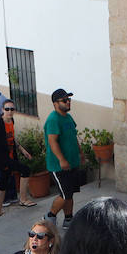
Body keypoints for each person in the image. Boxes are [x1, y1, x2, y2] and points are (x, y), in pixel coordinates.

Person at [0, 96, 35, 215]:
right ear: (2, 110)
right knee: (25, 170)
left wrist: (22, 150)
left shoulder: (11, 121)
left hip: (10, 156)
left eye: (12, 109)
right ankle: (22, 199)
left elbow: (12, 138)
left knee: (3, 183)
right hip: (2, 159)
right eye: (7, 109)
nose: (9, 111)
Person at [44, 88, 82, 227]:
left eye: (69, 100)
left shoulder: (68, 117)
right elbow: (52, 141)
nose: (68, 102)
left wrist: (80, 152)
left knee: (70, 193)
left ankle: (68, 219)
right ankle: (50, 216)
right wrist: (61, 159)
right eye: (64, 100)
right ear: (55, 103)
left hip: (72, 162)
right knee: (65, 193)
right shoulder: (53, 119)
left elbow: (73, 136)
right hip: (58, 165)